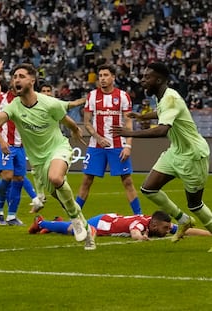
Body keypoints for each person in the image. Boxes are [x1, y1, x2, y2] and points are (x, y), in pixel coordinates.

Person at [0, 61, 95, 250]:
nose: (16, 80)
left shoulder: (48, 102)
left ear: (32, 80)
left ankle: (75, 221)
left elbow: (63, 117)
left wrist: (74, 129)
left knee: (55, 177)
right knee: (60, 195)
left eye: (21, 76)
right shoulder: (14, 107)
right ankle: (85, 228)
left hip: (58, 148)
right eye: (14, 77)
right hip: (38, 162)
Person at [110, 62, 212, 250]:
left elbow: (163, 130)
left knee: (195, 204)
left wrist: (129, 133)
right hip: (176, 152)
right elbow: (161, 113)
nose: (142, 80)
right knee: (149, 189)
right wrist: (142, 117)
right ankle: (183, 220)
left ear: (159, 79)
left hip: (193, 155)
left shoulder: (170, 98)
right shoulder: (162, 96)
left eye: (147, 77)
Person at [76, 64, 142, 215]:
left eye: (106, 75)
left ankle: (139, 216)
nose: (103, 79)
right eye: (100, 76)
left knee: (127, 181)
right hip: (96, 146)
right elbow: (87, 122)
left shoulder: (123, 96)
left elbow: (129, 122)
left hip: (118, 145)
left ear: (113, 77)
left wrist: (128, 146)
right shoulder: (92, 96)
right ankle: (75, 218)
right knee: (86, 181)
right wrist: (98, 137)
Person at [0, 78, 43, 226]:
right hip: (5, 145)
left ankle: (11, 216)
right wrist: (1, 141)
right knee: (7, 176)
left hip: (20, 146)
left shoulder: (26, 101)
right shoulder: (1, 99)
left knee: (19, 179)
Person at [28, 211, 212, 240]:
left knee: (72, 227)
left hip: (110, 219)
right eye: (165, 228)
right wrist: (141, 238)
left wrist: (209, 233)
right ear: (154, 225)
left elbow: (185, 230)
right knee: (77, 231)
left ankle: (56, 223)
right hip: (101, 224)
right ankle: (41, 222)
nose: (167, 231)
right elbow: (134, 232)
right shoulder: (141, 224)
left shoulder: (156, 224)